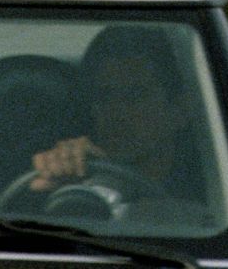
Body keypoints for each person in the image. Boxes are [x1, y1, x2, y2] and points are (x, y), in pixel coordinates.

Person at [29, 26, 199, 198]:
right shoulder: (73, 177)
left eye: (135, 97)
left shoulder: (216, 191)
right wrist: (51, 190)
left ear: (179, 111)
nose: (115, 113)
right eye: (103, 97)